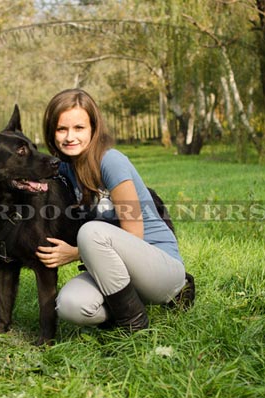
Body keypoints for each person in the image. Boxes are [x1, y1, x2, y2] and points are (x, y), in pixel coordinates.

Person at [36, 88, 192, 332]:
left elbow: (134, 234)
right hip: (116, 274)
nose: (69, 136)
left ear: (93, 128)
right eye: (61, 129)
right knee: (69, 305)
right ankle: (127, 307)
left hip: (160, 268)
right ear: (51, 132)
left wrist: (75, 253)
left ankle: (134, 325)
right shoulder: (65, 171)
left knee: (91, 232)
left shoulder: (111, 161)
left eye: (79, 128)